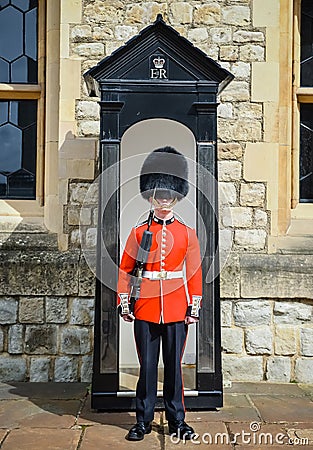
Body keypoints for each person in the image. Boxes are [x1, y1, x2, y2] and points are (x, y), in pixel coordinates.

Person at [117, 147, 203, 441]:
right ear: (151, 197)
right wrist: (125, 301)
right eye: (160, 195)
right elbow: (126, 269)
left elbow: (193, 273)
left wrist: (193, 306)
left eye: (170, 195)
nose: (165, 200)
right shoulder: (139, 232)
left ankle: (178, 420)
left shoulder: (187, 233)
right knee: (148, 367)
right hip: (146, 308)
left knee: (175, 369)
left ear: (176, 197)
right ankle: (143, 420)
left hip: (177, 307)